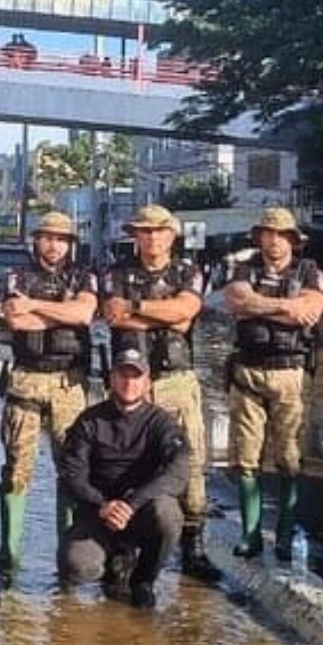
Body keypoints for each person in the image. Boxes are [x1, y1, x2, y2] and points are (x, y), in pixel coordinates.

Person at [103, 205, 222, 582]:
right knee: (124, 462)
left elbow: (187, 312)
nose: (151, 237)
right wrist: (165, 313)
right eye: (144, 231)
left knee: (190, 462)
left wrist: (136, 308)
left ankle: (193, 546)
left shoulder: (187, 271)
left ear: (172, 235)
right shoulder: (116, 272)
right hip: (129, 381)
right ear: (134, 235)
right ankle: (123, 547)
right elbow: (112, 315)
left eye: (159, 231)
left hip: (176, 379)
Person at [221, 207, 323, 562]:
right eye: (268, 233)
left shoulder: (310, 271)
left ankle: (284, 534)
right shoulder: (244, 268)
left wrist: (260, 306)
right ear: (260, 237)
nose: (275, 240)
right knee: (246, 459)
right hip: (247, 371)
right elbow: (237, 300)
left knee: (289, 458)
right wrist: (285, 307)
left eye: (282, 234)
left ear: (293, 241)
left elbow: (310, 310)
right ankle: (250, 536)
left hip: (290, 374)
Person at [0, 211, 97, 573]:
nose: (54, 245)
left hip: (69, 382)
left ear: (70, 244)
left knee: (71, 468)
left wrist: (37, 305)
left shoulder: (83, 275)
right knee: (16, 468)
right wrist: (61, 312)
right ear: (36, 240)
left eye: (61, 239)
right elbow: (16, 320)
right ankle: (10, 552)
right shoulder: (17, 275)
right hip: (26, 379)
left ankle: (66, 554)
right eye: (47, 237)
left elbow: (83, 315)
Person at [57, 348, 191, 609]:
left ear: (147, 382)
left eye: (136, 376)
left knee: (169, 514)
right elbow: (71, 475)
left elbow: (178, 471)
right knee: (76, 566)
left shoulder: (161, 423)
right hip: (99, 513)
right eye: (123, 375)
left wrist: (132, 503)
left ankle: (144, 579)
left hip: (141, 511)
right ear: (111, 379)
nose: (129, 383)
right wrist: (102, 505)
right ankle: (112, 563)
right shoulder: (89, 421)